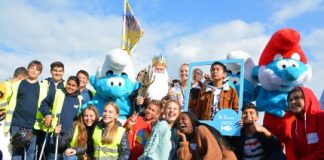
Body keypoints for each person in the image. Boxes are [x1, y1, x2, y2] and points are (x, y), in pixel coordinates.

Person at [5, 60, 48, 160]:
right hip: (17, 122)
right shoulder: (17, 85)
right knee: (17, 151)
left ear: (40, 73)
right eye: (32, 68)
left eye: (37, 69)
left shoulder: (43, 87)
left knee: (31, 152)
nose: (34, 71)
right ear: (28, 69)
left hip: (33, 125)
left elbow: (45, 105)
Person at [40, 76, 83, 159]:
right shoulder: (57, 93)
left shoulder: (80, 99)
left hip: (70, 137)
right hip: (55, 133)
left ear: (77, 87)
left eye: (73, 85)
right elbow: (44, 104)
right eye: (69, 84)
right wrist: (48, 114)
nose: (70, 87)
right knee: (52, 157)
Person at [288, 86, 324, 159]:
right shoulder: (295, 125)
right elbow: (297, 153)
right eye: (290, 100)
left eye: (297, 98)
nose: (292, 102)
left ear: (308, 98)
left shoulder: (321, 117)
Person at [0, 67, 27, 160]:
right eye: (24, 80)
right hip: (2, 122)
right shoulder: (4, 86)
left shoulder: (14, 87)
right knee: (5, 148)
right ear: (20, 77)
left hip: (10, 123)